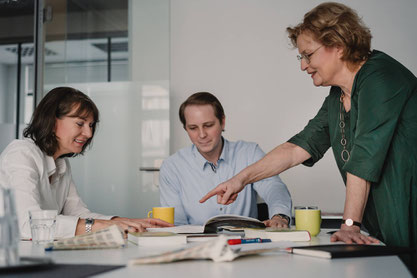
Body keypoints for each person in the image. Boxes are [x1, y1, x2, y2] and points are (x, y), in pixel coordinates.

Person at [200, 2, 417, 250]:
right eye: (301, 57)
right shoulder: (338, 96)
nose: (303, 65)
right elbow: (297, 148)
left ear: (338, 45)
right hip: (386, 226)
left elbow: (365, 155)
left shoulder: (380, 76)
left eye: (309, 55)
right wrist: (240, 180)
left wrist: (349, 224)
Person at [0, 87, 173, 239]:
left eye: (91, 125)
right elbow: (27, 225)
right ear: (52, 121)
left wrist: (122, 222)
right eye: (80, 123)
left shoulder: (61, 164)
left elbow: (78, 214)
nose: (89, 133)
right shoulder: (21, 154)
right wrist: (100, 226)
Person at [159, 92, 292, 227]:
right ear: (186, 128)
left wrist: (279, 216)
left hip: (248, 244)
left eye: (208, 125)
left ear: (222, 122)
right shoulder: (172, 167)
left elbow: (273, 186)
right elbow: (176, 224)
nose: (202, 135)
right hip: (196, 245)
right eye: (193, 128)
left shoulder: (249, 153)